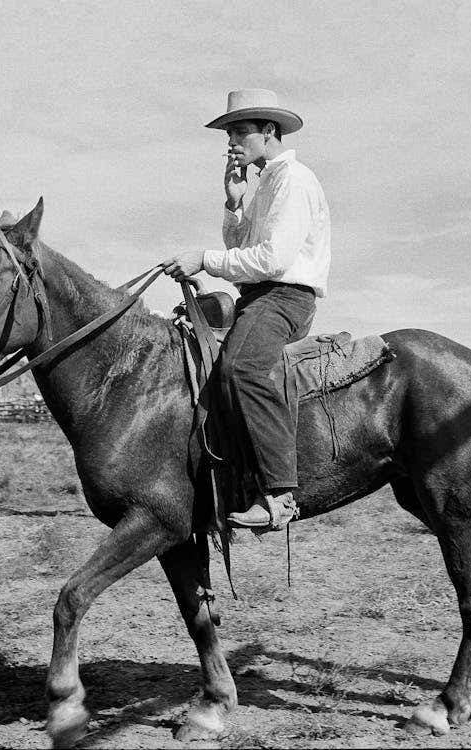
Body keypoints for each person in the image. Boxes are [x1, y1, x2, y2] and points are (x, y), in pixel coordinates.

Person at [161, 89, 331, 532]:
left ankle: (279, 495)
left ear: (269, 131)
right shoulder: (264, 187)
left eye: (239, 131)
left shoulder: (293, 180)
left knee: (242, 367)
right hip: (258, 296)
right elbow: (243, 251)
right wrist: (234, 202)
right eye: (229, 134)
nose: (231, 142)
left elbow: (271, 261)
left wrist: (203, 258)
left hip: (285, 297)